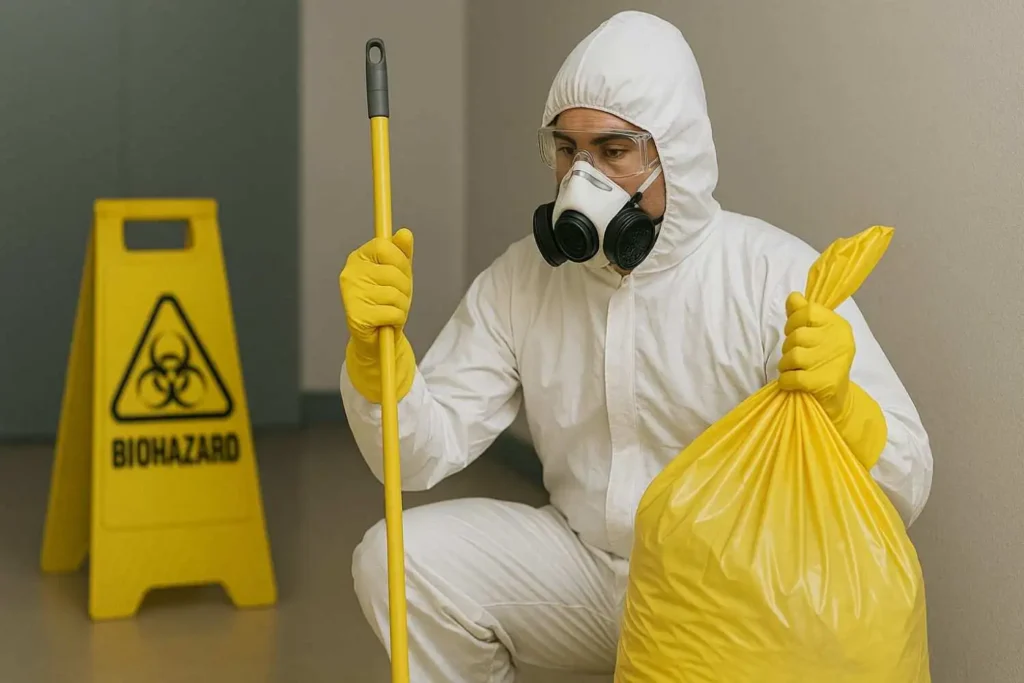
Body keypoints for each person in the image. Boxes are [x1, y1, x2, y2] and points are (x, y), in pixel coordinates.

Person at [339, 10, 933, 682]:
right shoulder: (525, 281)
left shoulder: (775, 278)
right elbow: (416, 454)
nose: (580, 179)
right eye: (567, 150)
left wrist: (844, 405)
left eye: (614, 152)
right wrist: (374, 360)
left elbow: (908, 481)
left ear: (673, 153)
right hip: (587, 572)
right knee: (397, 559)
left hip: (730, 597)